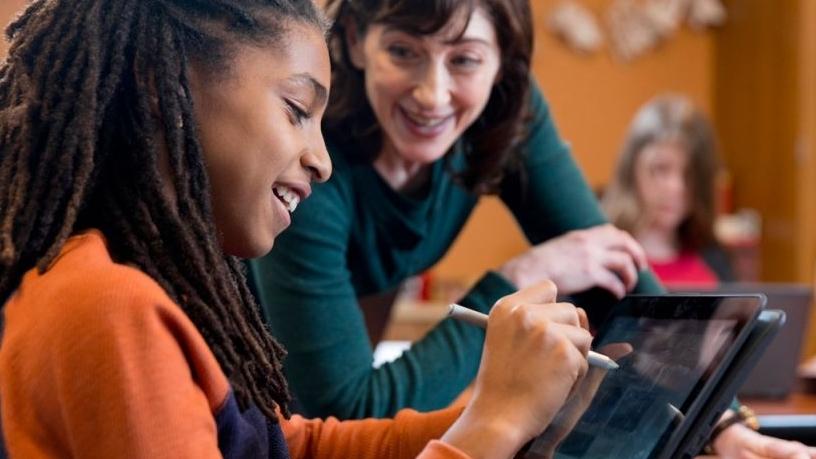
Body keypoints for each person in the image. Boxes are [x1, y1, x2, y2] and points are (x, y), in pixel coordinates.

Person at [0, 0, 597, 457]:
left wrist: (508, 413)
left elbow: (293, 447)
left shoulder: (153, 286)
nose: (322, 161)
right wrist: (494, 426)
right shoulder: (109, 305)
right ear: (163, 85)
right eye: (296, 111)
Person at [247, 0, 662, 422]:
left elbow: (609, 263)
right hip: (237, 389)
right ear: (355, 40)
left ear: (501, 62)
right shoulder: (313, 160)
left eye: (464, 60)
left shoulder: (503, 111)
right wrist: (517, 282)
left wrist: (697, 397)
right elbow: (349, 411)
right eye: (403, 52)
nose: (432, 94)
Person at [602, 95, 735, 289]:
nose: (675, 187)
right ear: (632, 169)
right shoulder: (604, 257)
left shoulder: (714, 259)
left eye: (689, 174)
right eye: (661, 169)